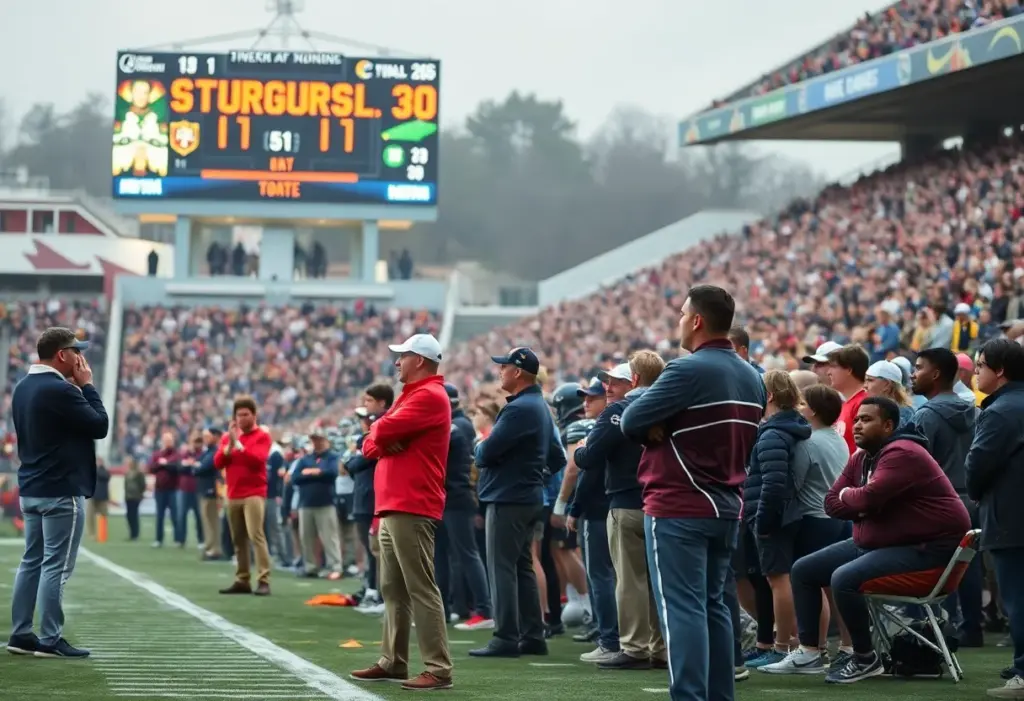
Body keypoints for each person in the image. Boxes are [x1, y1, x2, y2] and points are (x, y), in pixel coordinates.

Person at [620, 285, 767, 701]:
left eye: (683, 314)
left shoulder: (686, 370)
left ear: (697, 321)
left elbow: (630, 420)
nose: (680, 321)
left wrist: (656, 426)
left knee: (682, 610)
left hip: (678, 505)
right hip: (725, 506)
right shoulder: (751, 376)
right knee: (716, 608)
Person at [787, 397, 970, 684]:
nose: (858, 424)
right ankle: (810, 652)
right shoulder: (862, 456)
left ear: (888, 425)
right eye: (857, 419)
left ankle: (864, 658)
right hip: (886, 543)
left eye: (867, 419)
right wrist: (861, 501)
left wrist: (857, 499)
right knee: (804, 570)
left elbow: (864, 497)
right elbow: (830, 503)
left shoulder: (903, 452)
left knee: (843, 578)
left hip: (928, 552)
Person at [350, 333, 453, 691]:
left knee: (420, 587)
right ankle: (393, 660)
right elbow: (367, 444)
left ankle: (438, 668)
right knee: (393, 588)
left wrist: (379, 431)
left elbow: (379, 429)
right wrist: (379, 433)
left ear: (420, 360)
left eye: (403, 356)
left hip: (413, 503)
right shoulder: (412, 396)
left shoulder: (429, 396)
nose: (396, 362)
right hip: (394, 504)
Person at [7, 327, 108, 658]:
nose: (81, 358)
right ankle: (50, 639)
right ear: (62, 355)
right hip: (61, 489)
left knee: (31, 561)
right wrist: (88, 386)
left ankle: (21, 634)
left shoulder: (21, 388)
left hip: (32, 487)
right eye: (76, 351)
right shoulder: (62, 390)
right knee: (56, 567)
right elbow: (99, 425)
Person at [469, 347, 566, 659]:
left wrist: (481, 444)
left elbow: (485, 454)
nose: (500, 371)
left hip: (508, 497)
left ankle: (506, 636)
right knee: (522, 565)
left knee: (502, 567)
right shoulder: (539, 406)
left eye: (504, 366)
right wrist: (534, 473)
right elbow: (558, 456)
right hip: (528, 496)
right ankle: (532, 635)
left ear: (518, 372)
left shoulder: (519, 409)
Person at [965, 338, 1024, 698]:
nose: (976, 372)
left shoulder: (1001, 411)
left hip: (1011, 520)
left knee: (1018, 598)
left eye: (980, 365)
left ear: (999, 370)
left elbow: (977, 467)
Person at [910, 347, 981, 645]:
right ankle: (972, 629)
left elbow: (915, 466)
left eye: (919, 367)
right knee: (969, 564)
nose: (913, 374)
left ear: (935, 374)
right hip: (972, 498)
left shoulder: (925, 415)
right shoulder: (975, 410)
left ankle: (943, 630)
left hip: (939, 502)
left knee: (939, 566)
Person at [444, 383, 494, 632]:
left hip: (457, 496)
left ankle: (484, 609)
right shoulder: (455, 424)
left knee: (467, 554)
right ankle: (446, 608)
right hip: (446, 497)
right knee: (443, 556)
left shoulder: (458, 426)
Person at [214, 396, 273, 596]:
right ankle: (242, 578)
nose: (242, 418)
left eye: (246, 414)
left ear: (254, 415)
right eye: (239, 415)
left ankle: (264, 579)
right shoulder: (227, 438)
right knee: (238, 539)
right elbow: (218, 462)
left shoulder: (262, 436)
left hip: (254, 493)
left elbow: (258, 460)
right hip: (233, 493)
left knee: (256, 535)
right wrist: (229, 446)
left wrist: (237, 444)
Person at [292, 424, 342, 579]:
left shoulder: (332, 457)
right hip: (306, 503)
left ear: (325, 439)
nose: (316, 442)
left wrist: (313, 472)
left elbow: (332, 473)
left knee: (330, 538)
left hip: (325, 502)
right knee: (306, 538)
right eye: (314, 439)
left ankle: (335, 566)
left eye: (319, 439)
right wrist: (316, 473)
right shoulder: (305, 459)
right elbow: (295, 478)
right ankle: (310, 566)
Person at [194, 428, 223, 560]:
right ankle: (210, 547)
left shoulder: (215, 451)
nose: (205, 439)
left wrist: (197, 467)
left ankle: (214, 549)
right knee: (207, 520)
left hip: (211, 489)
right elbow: (198, 466)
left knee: (212, 520)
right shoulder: (207, 452)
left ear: (215, 437)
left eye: (208, 436)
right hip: (205, 489)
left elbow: (202, 468)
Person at [123, 458, 146, 541]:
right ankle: (131, 533)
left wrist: (140, 494)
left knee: (134, 515)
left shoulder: (139, 473)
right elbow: (125, 485)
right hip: (128, 497)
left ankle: (135, 534)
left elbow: (142, 485)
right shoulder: (127, 473)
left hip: (135, 497)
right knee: (129, 515)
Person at [86, 459, 111, 540]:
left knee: (103, 515)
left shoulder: (104, 471)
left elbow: (106, 476)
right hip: (92, 496)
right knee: (90, 516)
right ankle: (91, 534)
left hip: (102, 497)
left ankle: (102, 534)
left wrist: (98, 468)